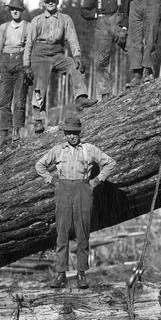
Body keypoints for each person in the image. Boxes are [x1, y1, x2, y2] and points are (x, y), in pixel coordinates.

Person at [35, 116, 116, 289]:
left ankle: (81, 274)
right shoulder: (57, 150)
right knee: (62, 233)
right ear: (64, 134)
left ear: (80, 133)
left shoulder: (89, 149)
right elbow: (39, 165)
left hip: (83, 190)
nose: (72, 136)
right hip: (63, 189)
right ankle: (61, 274)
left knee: (82, 232)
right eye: (68, 133)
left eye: (75, 133)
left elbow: (110, 163)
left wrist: (96, 181)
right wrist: (52, 181)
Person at [23, 0, 97, 134]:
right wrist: (26, 65)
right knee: (40, 83)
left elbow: (72, 38)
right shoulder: (37, 20)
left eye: (53, 1)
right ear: (44, 3)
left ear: (57, 2)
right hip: (40, 55)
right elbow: (29, 44)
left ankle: (81, 97)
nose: (51, 4)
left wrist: (77, 56)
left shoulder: (65, 19)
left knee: (71, 64)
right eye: (48, 1)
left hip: (57, 53)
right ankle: (38, 119)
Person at [81, 0, 128, 101]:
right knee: (102, 60)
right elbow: (84, 10)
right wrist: (94, 15)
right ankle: (104, 94)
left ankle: (139, 79)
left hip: (118, 23)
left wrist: (125, 26)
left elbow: (127, 10)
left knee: (132, 46)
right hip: (102, 26)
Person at [0, 0, 31, 144]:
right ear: (9, 11)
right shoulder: (3, 27)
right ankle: (4, 132)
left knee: (19, 100)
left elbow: (28, 47)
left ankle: (16, 130)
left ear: (21, 10)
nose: (15, 12)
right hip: (5, 63)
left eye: (17, 9)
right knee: (3, 100)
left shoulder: (28, 26)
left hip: (20, 62)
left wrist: (27, 66)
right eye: (12, 9)